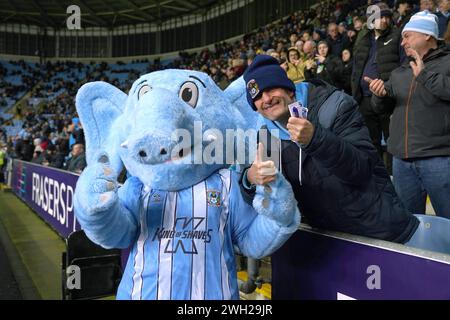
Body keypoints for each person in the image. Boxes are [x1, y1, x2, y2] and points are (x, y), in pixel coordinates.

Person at [240, 54, 419, 243]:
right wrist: (249, 180)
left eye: (270, 88)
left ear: (289, 90)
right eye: (257, 96)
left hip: (374, 232)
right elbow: (268, 196)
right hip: (325, 240)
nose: (266, 99)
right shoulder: (266, 136)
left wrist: (315, 139)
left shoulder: (335, 106)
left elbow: (362, 170)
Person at [367, 10, 450, 219]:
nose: (402, 42)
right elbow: (382, 108)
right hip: (402, 162)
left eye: (407, 36)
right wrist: (379, 95)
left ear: (427, 35)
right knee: (409, 224)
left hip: (438, 158)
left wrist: (424, 75)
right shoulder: (400, 71)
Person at [352, 2, 405, 173]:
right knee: (370, 141)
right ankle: (377, 177)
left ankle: (394, 175)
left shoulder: (397, 37)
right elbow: (356, 68)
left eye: (386, 17)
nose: (383, 21)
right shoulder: (363, 41)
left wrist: (389, 87)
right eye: (379, 17)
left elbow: (403, 66)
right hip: (365, 99)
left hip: (387, 98)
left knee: (392, 140)